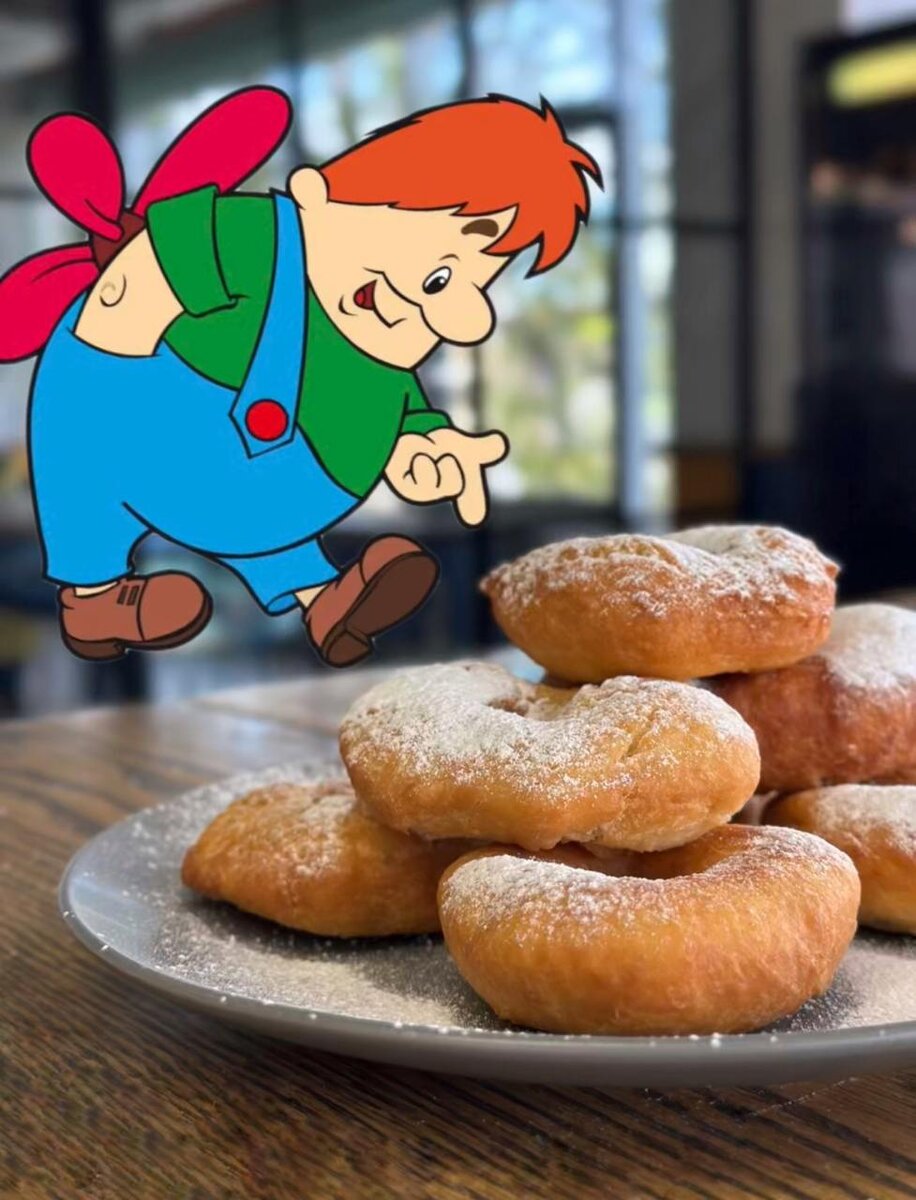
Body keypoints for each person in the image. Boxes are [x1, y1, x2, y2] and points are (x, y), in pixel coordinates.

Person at [0, 88, 601, 666]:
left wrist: (423, 455)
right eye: (436, 269)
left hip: (257, 494)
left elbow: (403, 422)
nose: (457, 311)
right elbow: (157, 261)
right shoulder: (254, 238)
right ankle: (95, 593)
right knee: (84, 453)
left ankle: (324, 599)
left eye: (475, 280)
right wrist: (119, 353)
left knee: (272, 529)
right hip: (157, 432)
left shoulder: (383, 356)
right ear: (316, 198)